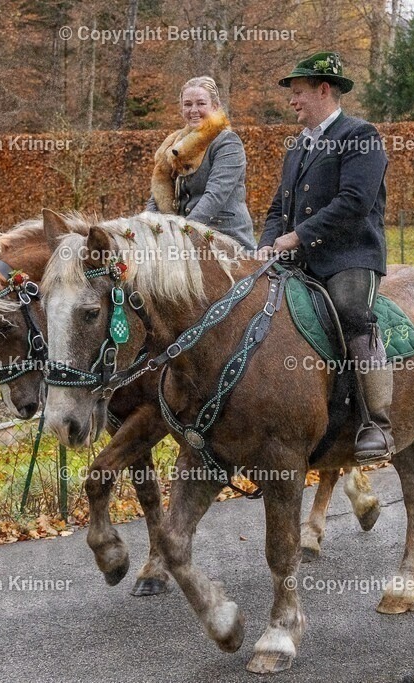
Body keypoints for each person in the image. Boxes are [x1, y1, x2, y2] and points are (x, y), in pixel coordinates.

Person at [257, 51, 393, 465]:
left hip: (350, 255)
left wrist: (296, 237)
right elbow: (278, 208)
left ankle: (376, 422)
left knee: (351, 311)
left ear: (323, 90)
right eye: (291, 95)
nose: (292, 101)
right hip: (299, 257)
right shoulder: (298, 147)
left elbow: (354, 202)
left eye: (298, 93)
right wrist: (266, 245)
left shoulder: (360, 135)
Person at [146, 76, 255, 249]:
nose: (193, 110)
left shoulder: (227, 142)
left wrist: (181, 234)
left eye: (201, 103)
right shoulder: (174, 145)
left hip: (225, 240)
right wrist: (144, 227)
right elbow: (158, 196)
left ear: (215, 106)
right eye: (188, 104)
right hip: (185, 240)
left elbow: (215, 196)